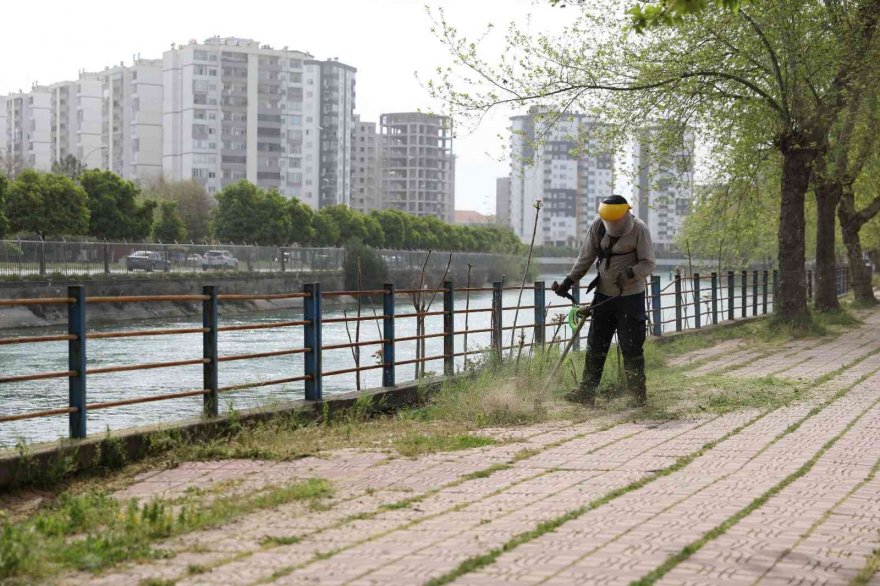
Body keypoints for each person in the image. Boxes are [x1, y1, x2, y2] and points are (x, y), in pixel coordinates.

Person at [553, 194, 656, 406]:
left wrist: (630, 273)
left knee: (631, 348)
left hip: (630, 297)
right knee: (595, 345)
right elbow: (586, 257)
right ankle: (586, 392)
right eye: (611, 221)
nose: (614, 224)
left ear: (627, 213)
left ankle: (638, 395)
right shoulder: (598, 227)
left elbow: (648, 263)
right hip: (603, 297)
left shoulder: (639, 229)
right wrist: (569, 280)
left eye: (618, 220)